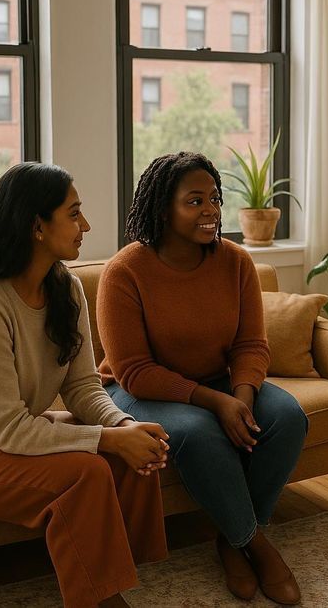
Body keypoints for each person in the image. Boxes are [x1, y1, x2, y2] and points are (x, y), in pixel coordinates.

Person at [0, 163, 169, 608]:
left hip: (6, 431)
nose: (86, 226)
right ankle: (100, 598)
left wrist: (123, 427)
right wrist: (107, 440)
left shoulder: (66, 289)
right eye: (74, 213)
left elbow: (83, 386)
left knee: (134, 450)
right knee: (87, 470)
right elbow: (9, 428)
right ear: (37, 226)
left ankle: (120, 575)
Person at [98, 151, 309, 605]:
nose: (211, 210)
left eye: (214, 198)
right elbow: (134, 370)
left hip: (218, 381)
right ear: (163, 208)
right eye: (195, 201)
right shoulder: (124, 272)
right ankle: (253, 544)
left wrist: (244, 396)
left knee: (288, 416)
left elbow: (251, 345)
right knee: (198, 432)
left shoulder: (235, 261)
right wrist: (217, 403)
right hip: (138, 392)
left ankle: (229, 535)